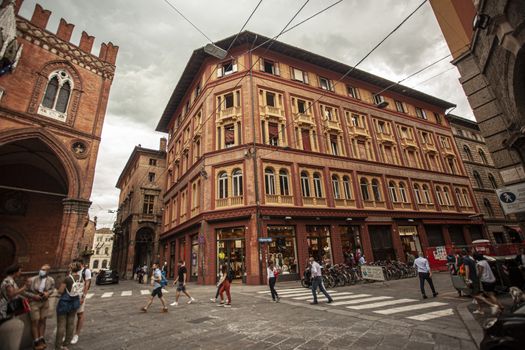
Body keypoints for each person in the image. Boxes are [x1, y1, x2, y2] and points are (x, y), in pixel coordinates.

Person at [25, 264, 55, 350]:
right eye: (41, 269)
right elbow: (25, 292)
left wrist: (48, 293)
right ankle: (36, 340)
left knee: (43, 320)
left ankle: (41, 338)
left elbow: (52, 289)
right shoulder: (32, 279)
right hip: (34, 302)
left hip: (44, 302)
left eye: (45, 270)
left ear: (48, 272)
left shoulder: (51, 280)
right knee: (35, 320)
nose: (42, 271)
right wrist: (34, 296)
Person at [0, 264, 29, 350]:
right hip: (5, 308)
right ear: (15, 271)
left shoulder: (11, 280)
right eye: (20, 271)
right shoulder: (8, 281)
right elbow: (11, 294)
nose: (20, 273)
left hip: (7, 307)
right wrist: (24, 287)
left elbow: (16, 293)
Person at [55, 261, 83, 350]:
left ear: (71, 269)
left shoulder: (67, 278)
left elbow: (60, 291)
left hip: (65, 303)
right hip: (75, 302)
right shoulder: (81, 278)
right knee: (71, 323)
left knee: (61, 325)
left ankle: (58, 346)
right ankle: (66, 344)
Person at [461, 250, 498, 314]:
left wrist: (467, 279)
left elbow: (467, 269)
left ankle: (493, 305)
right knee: (478, 294)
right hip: (476, 279)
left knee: (475, 295)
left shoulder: (465, 260)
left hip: (472, 279)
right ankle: (480, 309)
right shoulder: (471, 259)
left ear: (461, 255)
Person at [71, 260, 91, 345]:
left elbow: (87, 284)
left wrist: (83, 296)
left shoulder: (86, 271)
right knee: (70, 315)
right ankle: (69, 334)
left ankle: (76, 335)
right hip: (70, 296)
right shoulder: (71, 271)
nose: (73, 265)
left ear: (80, 264)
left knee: (80, 314)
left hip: (79, 295)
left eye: (75, 263)